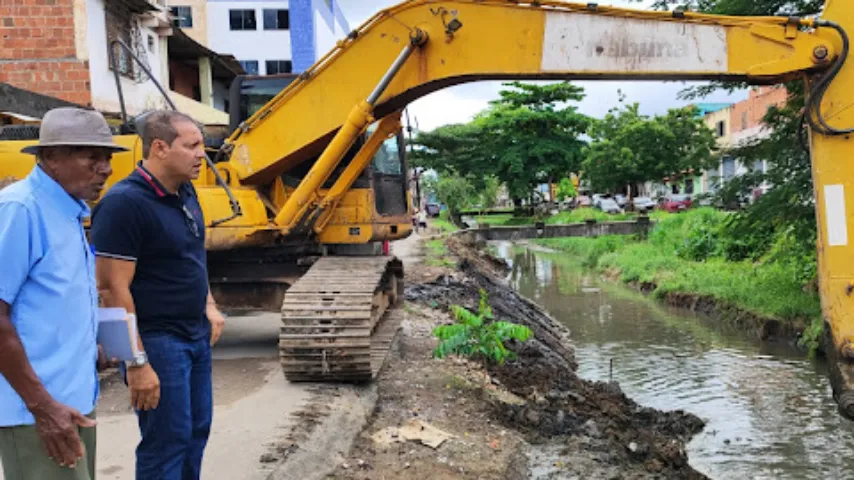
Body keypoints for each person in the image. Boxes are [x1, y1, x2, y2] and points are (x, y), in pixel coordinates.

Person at [91, 110, 226, 480]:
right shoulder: (124, 204)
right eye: (192, 146)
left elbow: (192, 255)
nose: (203, 154)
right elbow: (109, 289)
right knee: (166, 442)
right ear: (160, 148)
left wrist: (209, 306)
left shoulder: (185, 190)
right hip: (157, 340)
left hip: (194, 333)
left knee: (194, 434)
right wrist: (135, 363)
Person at [0, 107, 126, 479]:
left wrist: (91, 345)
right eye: (93, 158)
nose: (105, 169)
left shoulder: (70, 211)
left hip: (73, 402)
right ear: (52, 157)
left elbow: (50, 302)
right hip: (37, 411)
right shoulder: (20, 209)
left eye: (107, 158)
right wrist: (43, 407)